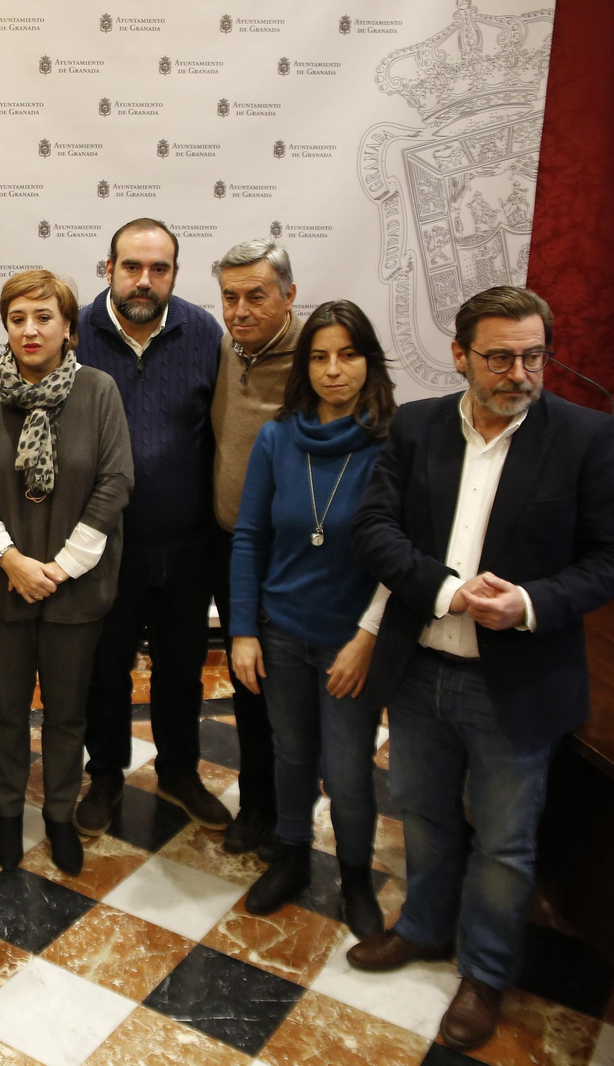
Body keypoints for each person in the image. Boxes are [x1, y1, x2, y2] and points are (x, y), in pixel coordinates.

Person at [345, 287, 614, 1052]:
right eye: (500, 357)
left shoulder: (585, 436)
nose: (520, 372)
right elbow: (374, 529)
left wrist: (532, 603)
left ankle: (483, 974)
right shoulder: (416, 426)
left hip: (518, 680)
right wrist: (446, 591)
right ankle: (423, 929)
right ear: (460, 356)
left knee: (505, 844)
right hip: (420, 670)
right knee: (424, 811)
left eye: (533, 355)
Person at [228, 300, 396, 936]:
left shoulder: (391, 443)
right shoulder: (278, 437)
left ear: (368, 363)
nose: (334, 371)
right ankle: (293, 856)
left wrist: (367, 638)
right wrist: (243, 629)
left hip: (352, 639)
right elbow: (250, 537)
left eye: (348, 355)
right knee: (291, 753)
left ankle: (355, 879)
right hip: (281, 630)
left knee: (349, 770)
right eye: (320, 357)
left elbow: (401, 557)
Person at [0, 270, 134, 875]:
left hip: (75, 588)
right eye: (17, 319)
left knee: (67, 713)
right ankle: (10, 811)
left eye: (43, 318)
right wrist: (11, 559)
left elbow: (115, 483)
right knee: (4, 709)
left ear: (69, 329)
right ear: (4, 327)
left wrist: (58, 568)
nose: (30, 330)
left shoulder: (100, 390)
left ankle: (59, 814)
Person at [73, 219, 228, 838]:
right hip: (101, 548)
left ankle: (180, 772)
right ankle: (105, 773)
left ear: (174, 274)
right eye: (131, 266)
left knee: (181, 669)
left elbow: (218, 432)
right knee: (104, 670)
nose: (144, 280)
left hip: (185, 546)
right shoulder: (75, 331)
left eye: (158, 269)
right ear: (107, 268)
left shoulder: (202, 332)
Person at [209, 238, 306, 857]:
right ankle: (257, 805)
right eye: (230, 296)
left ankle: (292, 818)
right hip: (229, 546)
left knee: (292, 696)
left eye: (257, 296)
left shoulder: (318, 357)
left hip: (295, 556)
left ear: (290, 296)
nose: (241, 310)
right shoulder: (225, 345)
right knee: (248, 683)